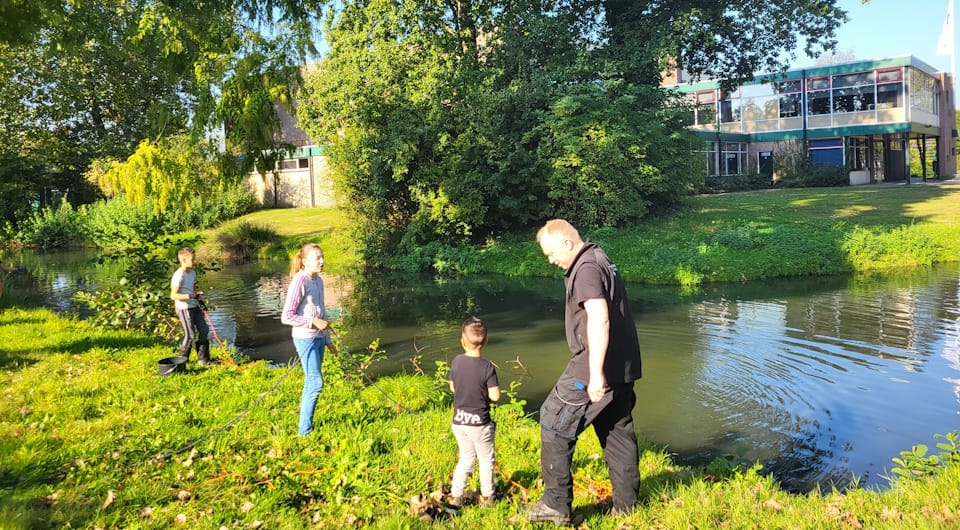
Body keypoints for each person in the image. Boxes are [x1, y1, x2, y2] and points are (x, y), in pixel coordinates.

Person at [525, 219, 643, 524]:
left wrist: (595, 374)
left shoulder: (586, 268)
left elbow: (600, 318)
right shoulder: (599, 256)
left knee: (553, 423)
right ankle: (626, 507)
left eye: (551, 253)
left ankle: (556, 505)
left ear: (567, 242)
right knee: (617, 433)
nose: (551, 260)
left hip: (596, 362)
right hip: (623, 363)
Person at [281, 243, 338, 436]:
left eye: (323, 257)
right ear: (305, 262)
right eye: (317, 258)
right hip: (305, 339)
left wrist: (328, 340)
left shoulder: (319, 281)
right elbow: (286, 317)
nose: (322, 261)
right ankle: (304, 433)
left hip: (319, 339)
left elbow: (321, 313)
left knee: (311, 382)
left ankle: (305, 427)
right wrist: (312, 321)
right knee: (315, 383)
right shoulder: (300, 281)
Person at [447, 316, 500, 508]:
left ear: (462, 340)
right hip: (480, 424)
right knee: (486, 459)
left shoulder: (456, 362)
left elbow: (453, 388)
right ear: (486, 341)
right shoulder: (487, 367)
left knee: (466, 458)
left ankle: (456, 496)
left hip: (459, 422)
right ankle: (488, 497)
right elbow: (495, 396)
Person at [169, 247, 215, 365]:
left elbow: (193, 288)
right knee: (190, 334)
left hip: (195, 306)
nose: (194, 262)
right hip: (184, 308)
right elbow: (173, 295)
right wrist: (190, 296)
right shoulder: (178, 275)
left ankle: (203, 360)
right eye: (192, 260)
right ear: (184, 260)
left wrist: (198, 297)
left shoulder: (192, 273)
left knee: (204, 330)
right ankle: (182, 361)